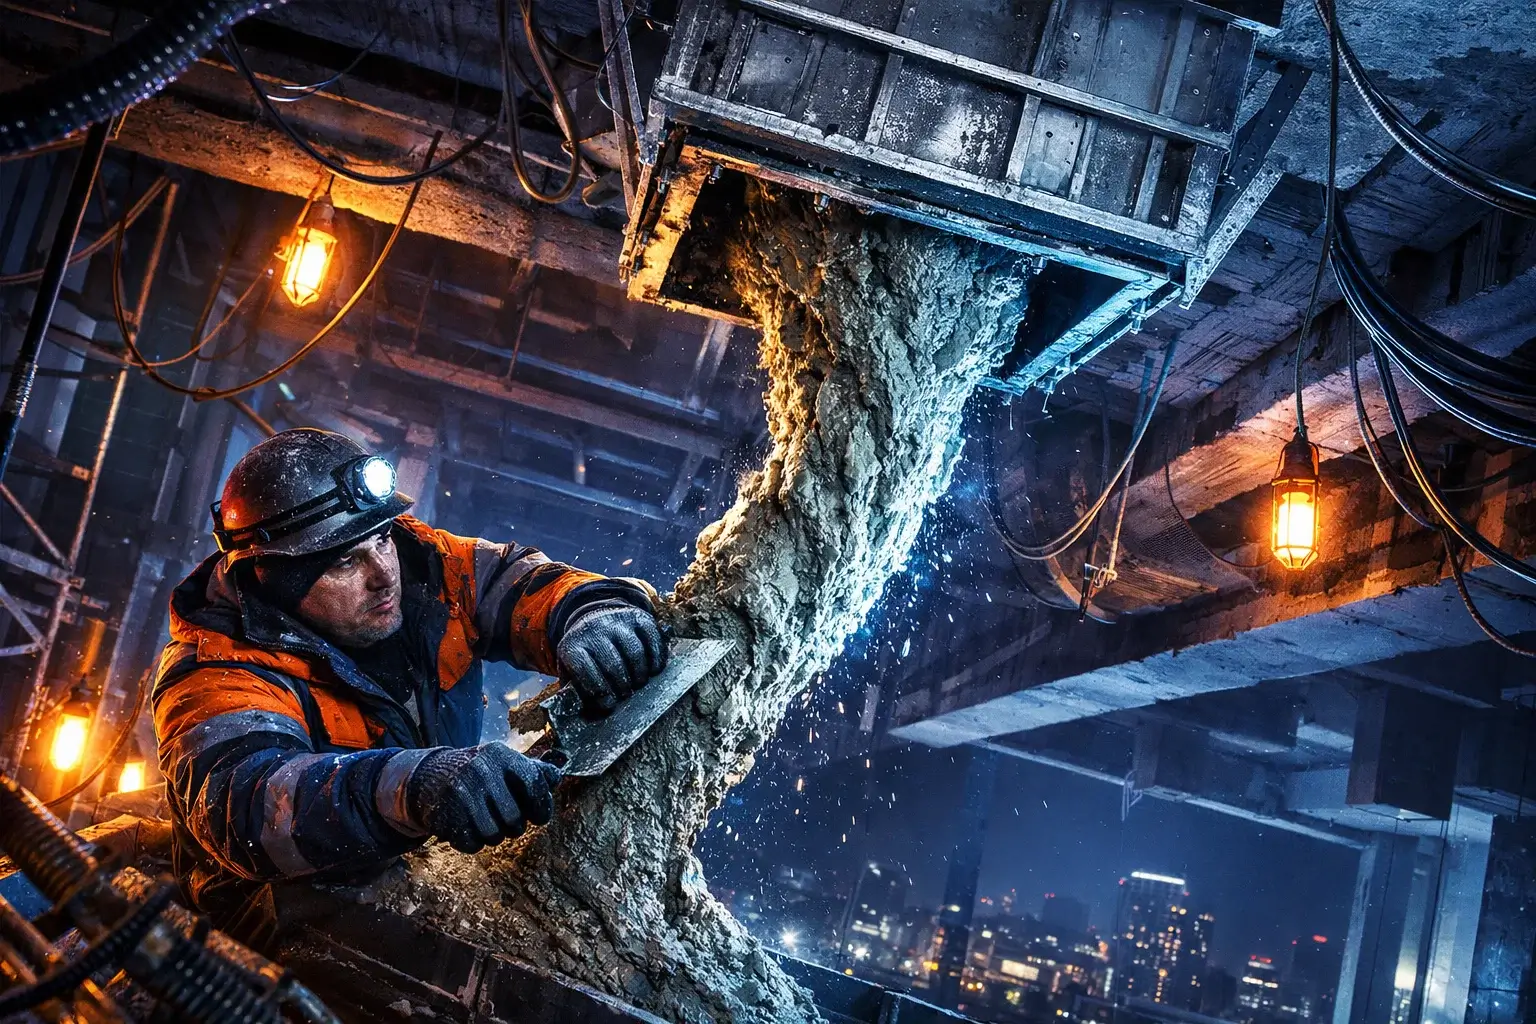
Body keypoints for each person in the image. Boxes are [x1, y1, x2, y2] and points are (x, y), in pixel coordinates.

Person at [151, 428, 666, 942]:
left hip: (412, 880)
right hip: (271, 931)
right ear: (276, 579)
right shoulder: (216, 668)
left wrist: (588, 612)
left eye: (380, 537)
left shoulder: (422, 561)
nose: (383, 574)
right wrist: (411, 786)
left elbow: (511, 580)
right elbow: (247, 810)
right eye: (344, 561)